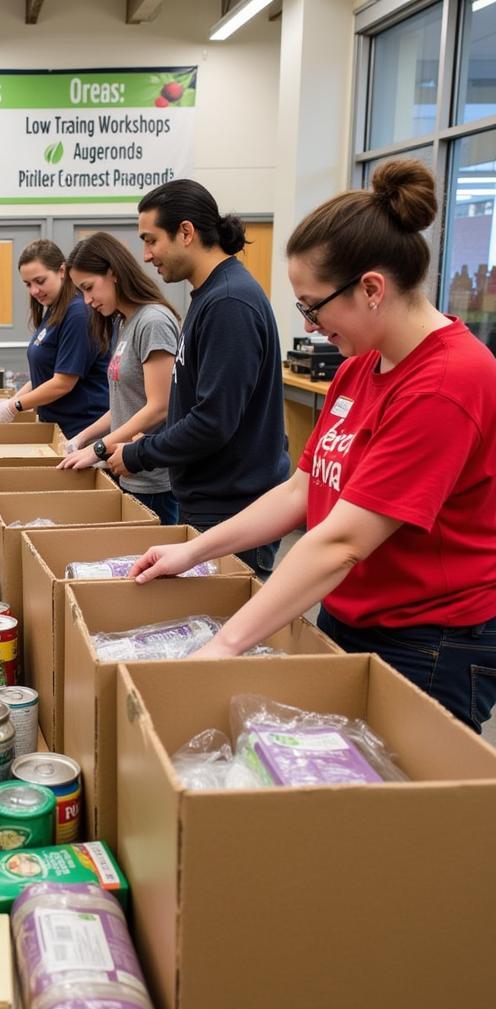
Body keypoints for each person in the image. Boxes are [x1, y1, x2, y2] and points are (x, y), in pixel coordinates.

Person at [128, 160, 496, 733]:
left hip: (431, 641)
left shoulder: (448, 381)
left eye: (313, 306)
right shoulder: (360, 368)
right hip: (353, 613)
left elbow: (343, 541)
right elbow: (303, 490)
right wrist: (194, 552)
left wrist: (226, 646)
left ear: (371, 288)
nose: (311, 324)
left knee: (401, 814)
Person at [108, 180, 289, 576]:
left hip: (233, 512)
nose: (147, 254)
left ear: (186, 232)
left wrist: (140, 453)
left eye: (151, 240)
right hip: (216, 504)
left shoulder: (228, 303)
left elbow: (213, 422)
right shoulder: (211, 296)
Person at [57, 232, 181, 524]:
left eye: (89, 288)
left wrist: (99, 448)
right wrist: (84, 438)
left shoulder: (153, 322)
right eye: (81, 293)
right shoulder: (125, 323)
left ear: (113, 273)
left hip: (155, 480)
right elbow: (127, 402)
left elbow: (159, 405)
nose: (87, 301)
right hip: (129, 471)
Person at [0, 240, 110, 438]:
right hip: (59, 428)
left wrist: (15, 406)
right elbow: (46, 375)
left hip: (82, 431)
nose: (34, 291)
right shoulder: (55, 310)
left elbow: (63, 382)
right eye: (28, 284)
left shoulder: (78, 314)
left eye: (40, 281)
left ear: (61, 271)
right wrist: (12, 400)